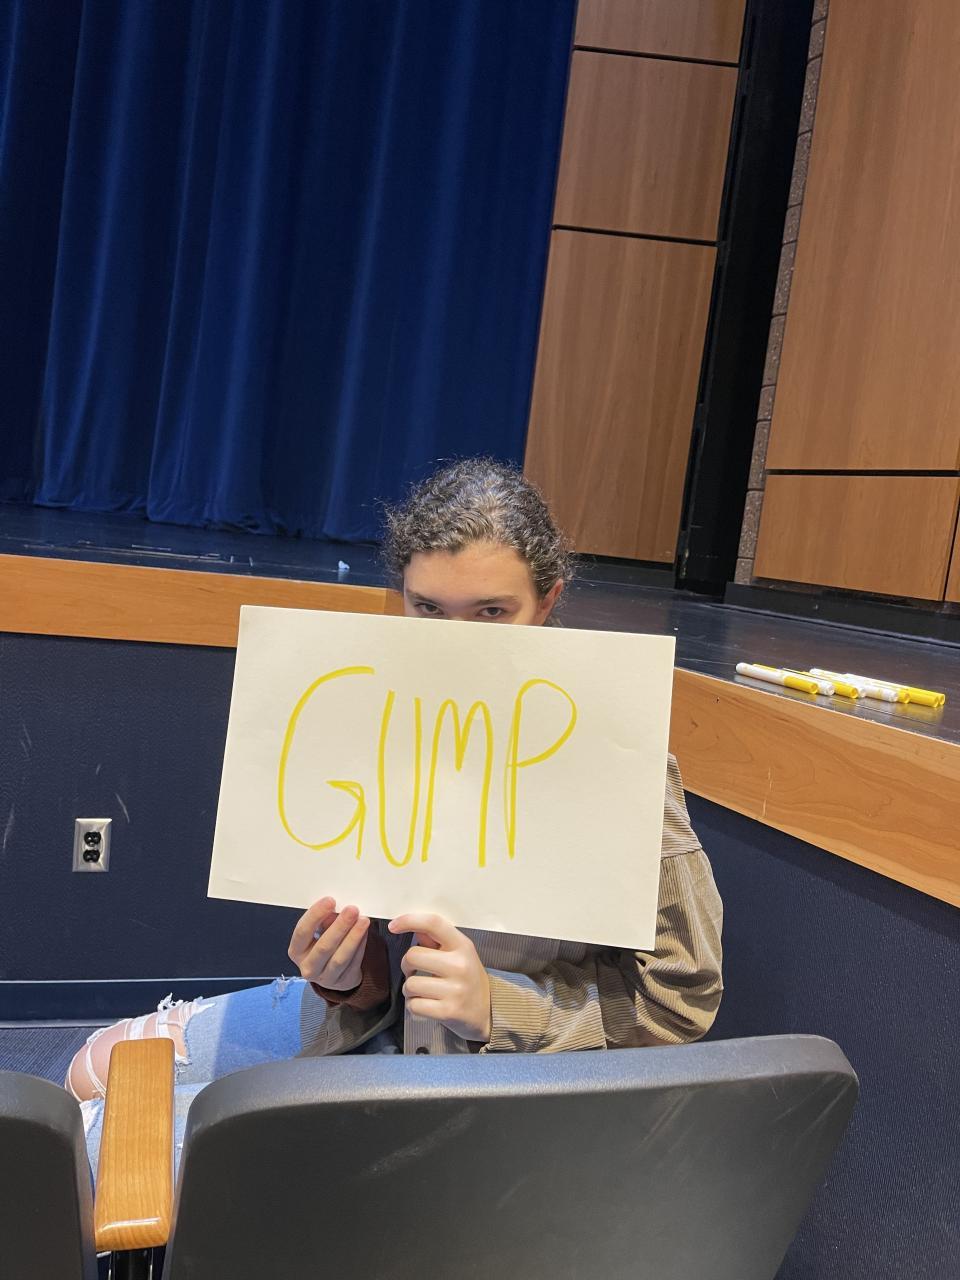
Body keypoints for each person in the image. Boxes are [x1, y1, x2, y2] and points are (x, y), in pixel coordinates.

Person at [68, 458, 723, 1174]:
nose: (454, 643)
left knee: (99, 1159)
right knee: (91, 1070)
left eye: (492, 613)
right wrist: (347, 976)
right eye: (429, 609)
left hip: (506, 1083)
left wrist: (498, 1005)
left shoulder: (620, 762)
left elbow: (678, 1005)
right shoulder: (382, 724)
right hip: (378, 1032)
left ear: (547, 602)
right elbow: (379, 977)